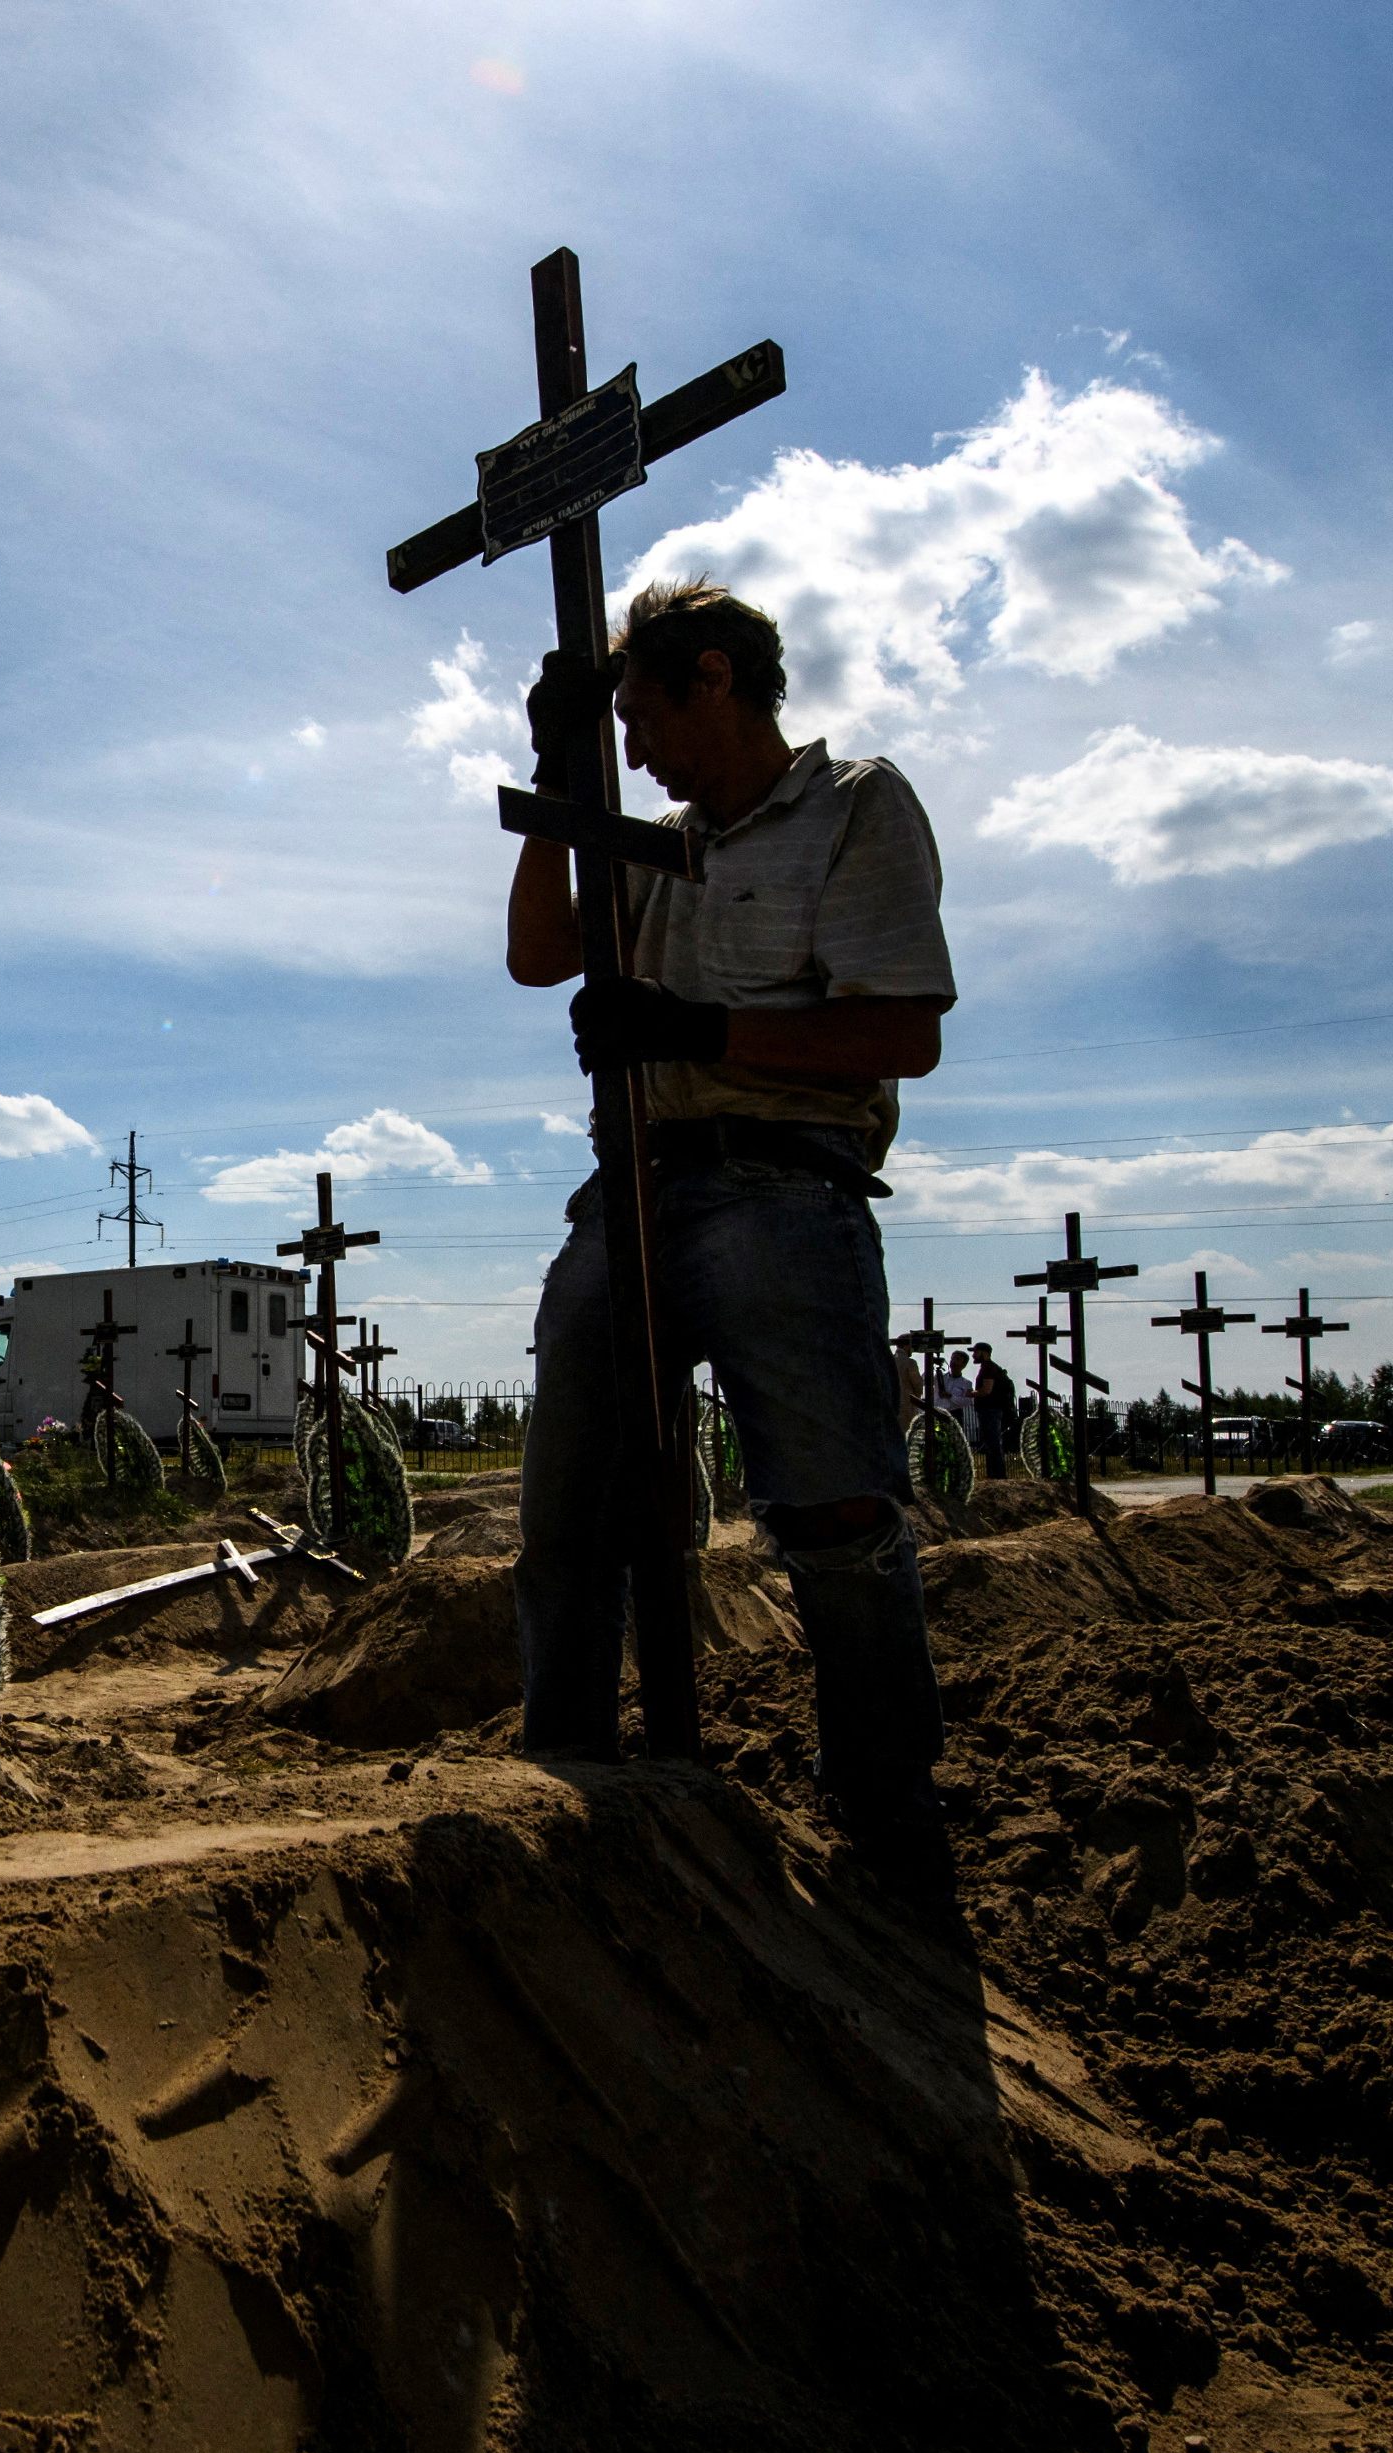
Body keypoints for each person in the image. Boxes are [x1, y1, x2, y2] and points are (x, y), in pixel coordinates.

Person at [506, 576, 957, 1910]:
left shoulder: (853, 805)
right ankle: (565, 1782)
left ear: (714, 676)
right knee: (567, 1504)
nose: (632, 747)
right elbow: (537, 953)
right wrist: (558, 776)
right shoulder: (648, 844)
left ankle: (884, 1812)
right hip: (635, 1186)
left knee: (833, 1511)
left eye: (639, 714)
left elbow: (901, 1034)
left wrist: (696, 1032)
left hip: (784, 1190)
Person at [970, 1342, 1017, 1481]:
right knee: (991, 1443)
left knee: (993, 1443)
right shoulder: (989, 1367)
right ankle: (994, 1474)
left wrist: (970, 1393)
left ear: (984, 1352)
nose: (973, 1355)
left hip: (990, 1410)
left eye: (976, 1352)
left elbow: (986, 1390)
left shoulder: (988, 1368)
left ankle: (997, 1475)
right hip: (990, 1410)